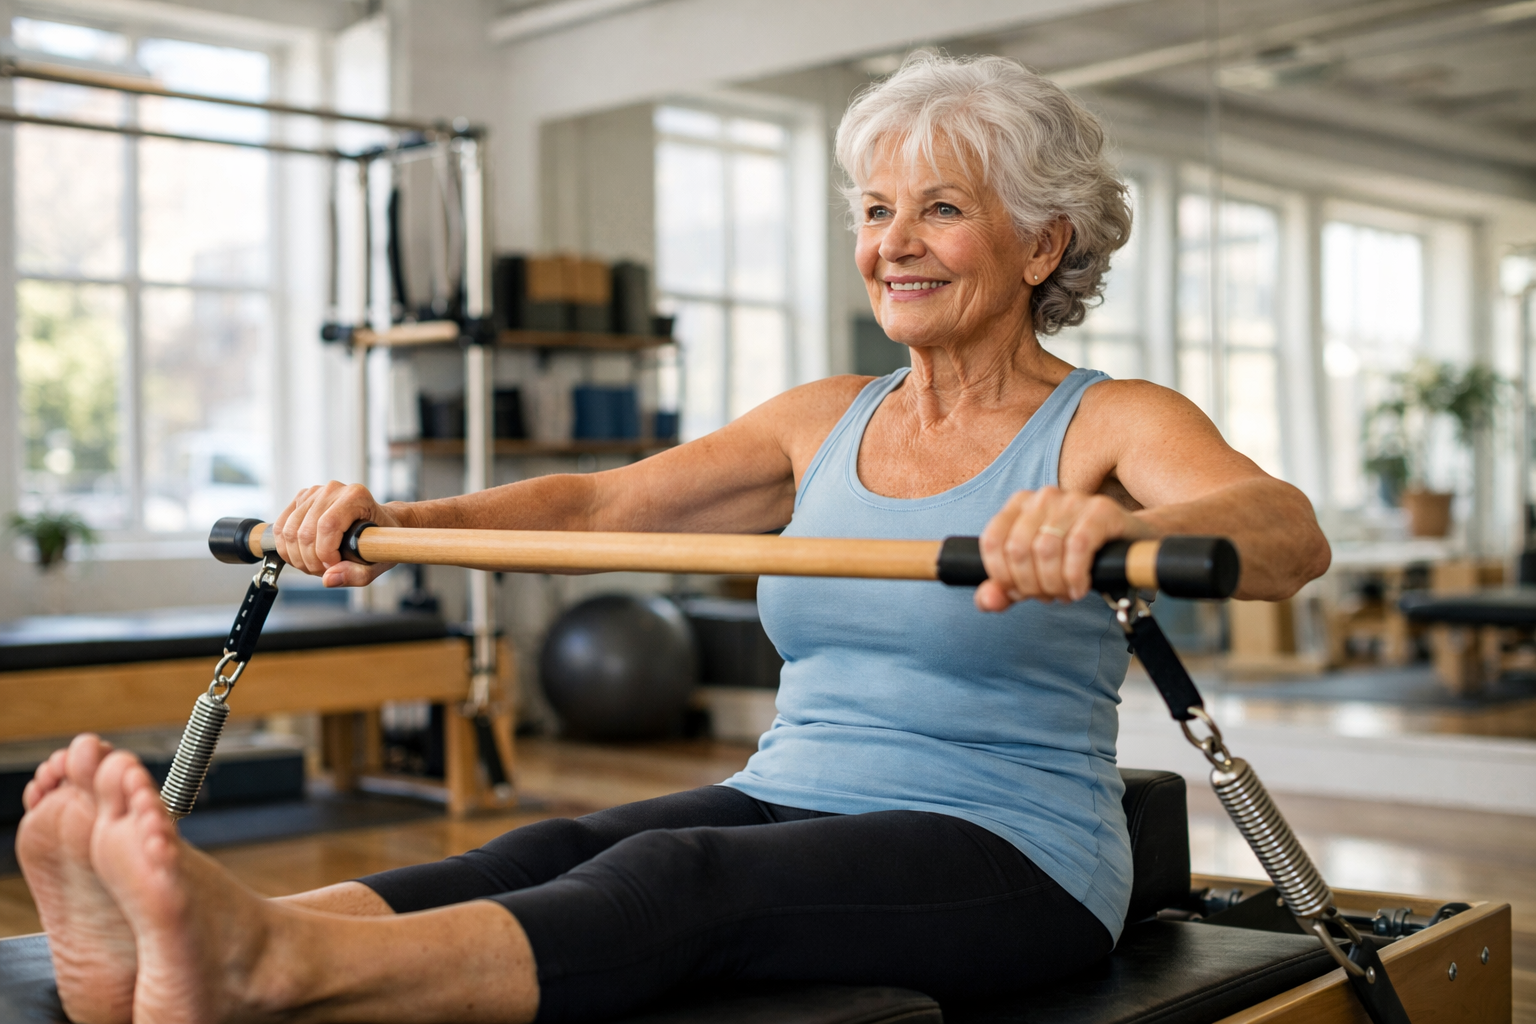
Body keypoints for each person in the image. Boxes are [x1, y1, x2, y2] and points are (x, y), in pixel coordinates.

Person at [18, 52, 1329, 1024]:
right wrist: (393, 522)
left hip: (1013, 855)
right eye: (875, 211)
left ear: (1044, 240)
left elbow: (1281, 533)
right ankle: (177, 943)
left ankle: (267, 969)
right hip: (792, 792)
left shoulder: (1108, 421)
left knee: (682, 879)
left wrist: (1102, 522)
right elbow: (598, 506)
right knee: (549, 848)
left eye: (939, 208)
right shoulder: (825, 418)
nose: (894, 244)